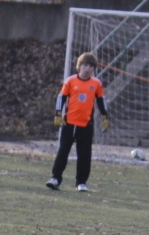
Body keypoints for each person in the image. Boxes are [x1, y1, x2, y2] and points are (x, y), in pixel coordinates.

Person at [46, 52, 109, 192]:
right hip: (69, 123)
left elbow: (101, 100)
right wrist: (58, 114)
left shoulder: (96, 83)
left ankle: (81, 182)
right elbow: (61, 97)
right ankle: (55, 178)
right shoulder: (70, 81)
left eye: (91, 66)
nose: (87, 68)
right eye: (85, 65)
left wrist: (105, 117)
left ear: (94, 69)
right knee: (63, 151)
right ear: (79, 66)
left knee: (85, 154)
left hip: (86, 124)